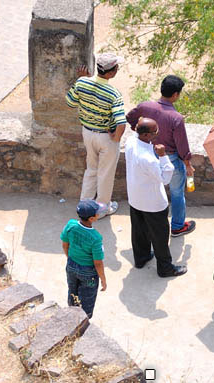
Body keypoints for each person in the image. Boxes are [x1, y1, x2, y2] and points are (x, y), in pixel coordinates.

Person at [126, 75, 196, 237]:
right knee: (177, 193)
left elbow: (130, 118)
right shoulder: (176, 118)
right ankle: (177, 226)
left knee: (149, 189)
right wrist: (188, 164)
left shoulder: (145, 106)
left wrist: (140, 131)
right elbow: (182, 145)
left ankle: (147, 223)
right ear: (175, 95)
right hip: (169, 158)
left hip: (148, 152)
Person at [65, 53, 127, 217]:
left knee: (91, 169)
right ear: (111, 72)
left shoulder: (82, 82)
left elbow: (70, 102)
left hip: (88, 133)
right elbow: (121, 122)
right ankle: (101, 210)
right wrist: (117, 137)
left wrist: (82, 79)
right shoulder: (114, 93)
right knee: (105, 174)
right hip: (106, 137)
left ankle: (84, 206)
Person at [125, 117, 187, 277]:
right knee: (160, 236)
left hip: (135, 197)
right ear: (146, 135)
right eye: (155, 131)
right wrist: (163, 155)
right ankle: (165, 267)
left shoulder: (131, 142)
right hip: (153, 202)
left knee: (139, 231)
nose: (158, 133)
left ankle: (141, 258)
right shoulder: (148, 158)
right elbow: (165, 178)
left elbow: (136, 129)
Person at [61, 200, 107, 318]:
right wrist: (103, 279)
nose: (98, 214)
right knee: (87, 300)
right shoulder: (96, 238)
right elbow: (98, 263)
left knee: (72, 292)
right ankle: (83, 322)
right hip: (88, 273)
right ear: (92, 218)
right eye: (97, 213)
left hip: (71, 265)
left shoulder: (70, 225)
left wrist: (70, 259)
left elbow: (65, 244)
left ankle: (71, 315)